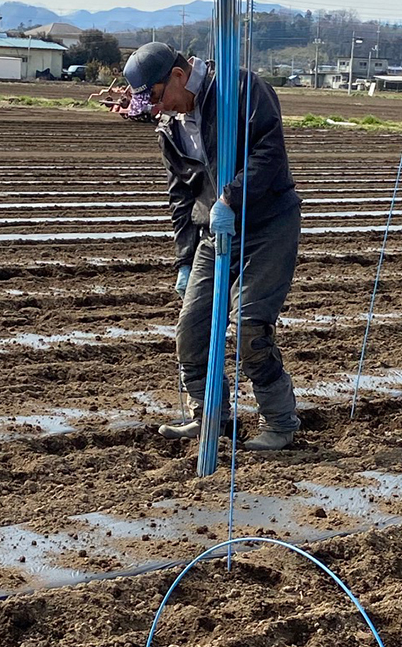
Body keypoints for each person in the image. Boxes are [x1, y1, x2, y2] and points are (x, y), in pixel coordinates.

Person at [123, 42, 302, 451]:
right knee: (192, 328)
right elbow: (180, 197)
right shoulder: (170, 127)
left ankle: (280, 423)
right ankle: (209, 417)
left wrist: (230, 199)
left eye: (154, 96)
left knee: (249, 330)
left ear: (178, 75)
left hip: (268, 223)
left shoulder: (241, 89)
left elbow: (269, 151)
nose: (154, 108)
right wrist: (185, 261)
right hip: (214, 231)